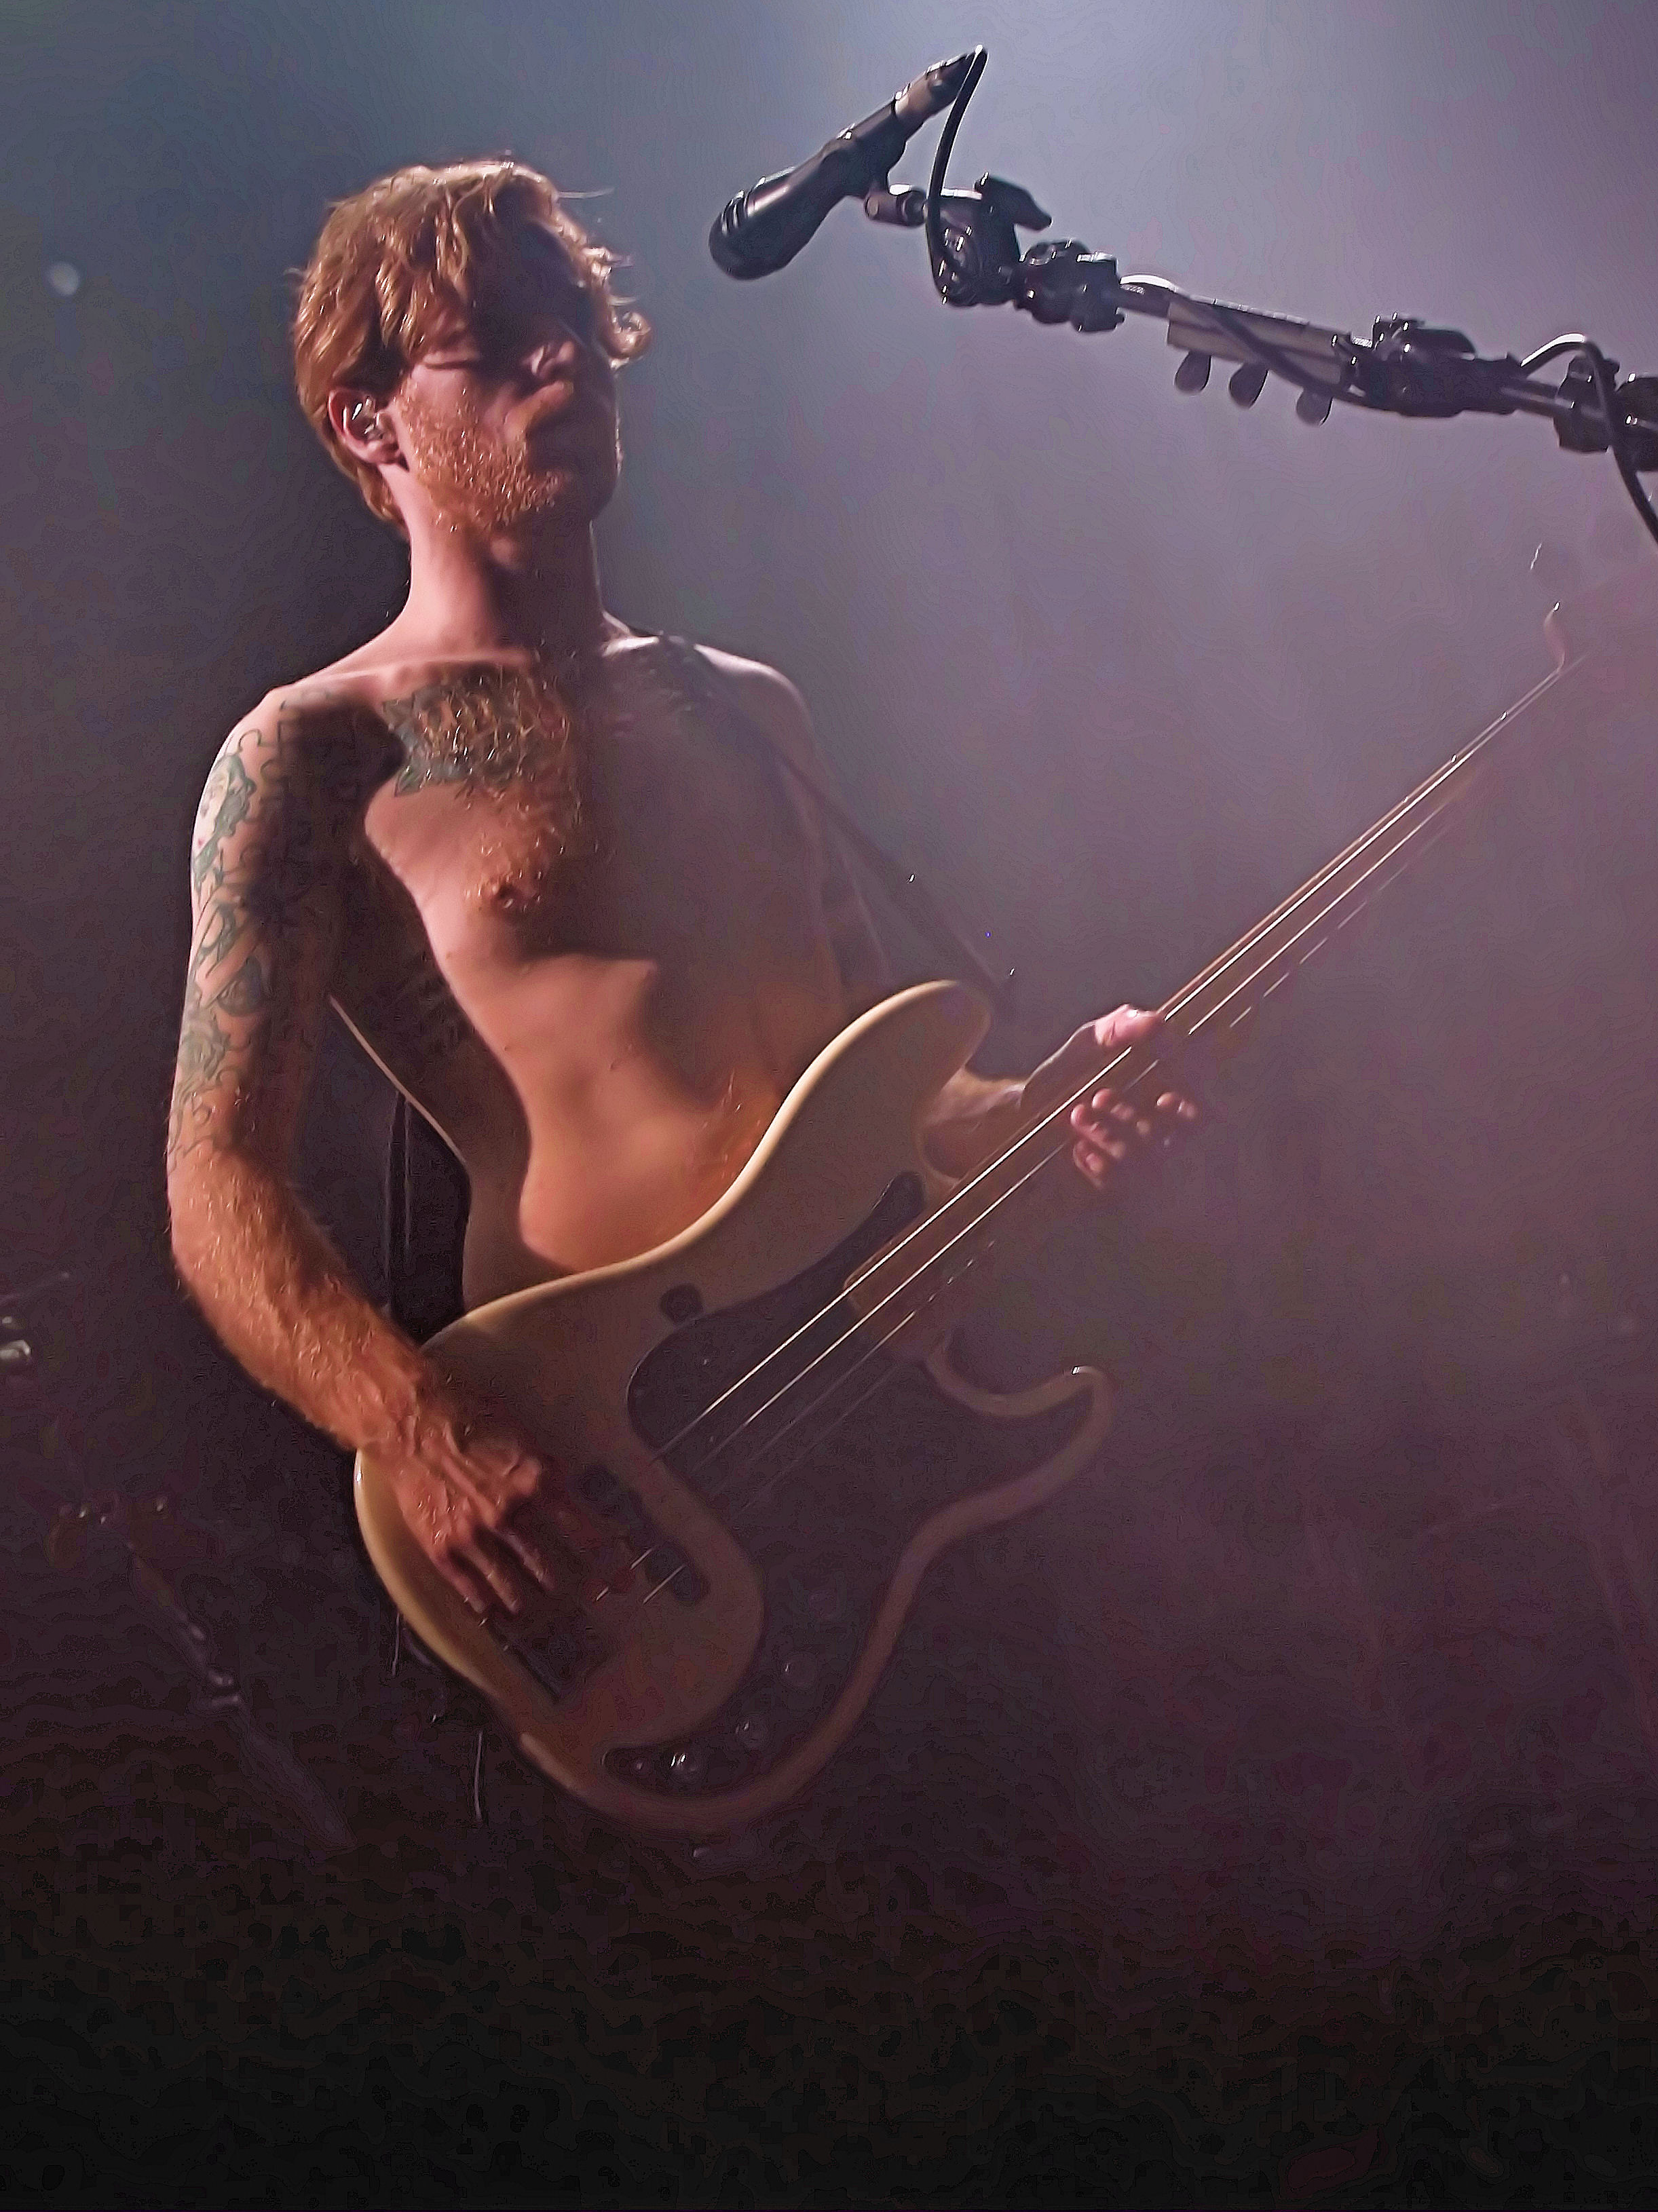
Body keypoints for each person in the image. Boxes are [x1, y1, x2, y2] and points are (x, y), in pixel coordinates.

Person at [166, 159, 1194, 1632]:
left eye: (577, 320)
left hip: (886, 1436)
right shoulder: (316, 755)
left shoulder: (746, 707)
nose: (562, 353)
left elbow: (893, 1102)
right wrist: (420, 1428)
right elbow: (218, 1185)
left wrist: (1050, 1109)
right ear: (367, 420)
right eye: (493, 336)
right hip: (625, 1511)